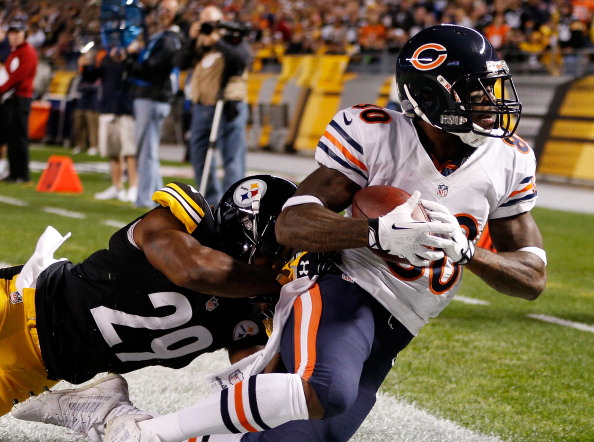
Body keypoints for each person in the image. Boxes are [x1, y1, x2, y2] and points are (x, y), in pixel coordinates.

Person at [14, 25, 548, 442]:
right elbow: (274, 230)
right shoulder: (374, 136)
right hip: (26, 306)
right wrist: (376, 233)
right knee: (326, 389)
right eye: (476, 93)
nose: (492, 102)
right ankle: (143, 431)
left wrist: (469, 252)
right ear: (429, 96)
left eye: (492, 89)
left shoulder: (510, 159)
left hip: (404, 319)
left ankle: (114, 418)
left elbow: (531, 277)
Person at [2, 174, 297, 422]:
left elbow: (258, 385)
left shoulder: (250, 310)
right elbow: (190, 269)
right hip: (19, 303)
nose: (283, 264)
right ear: (248, 230)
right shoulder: (187, 223)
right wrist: (280, 286)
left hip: (38, 371)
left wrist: (289, 330)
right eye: (280, 252)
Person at [178, 5, 251, 206]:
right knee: (199, 155)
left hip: (228, 106)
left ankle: (234, 206)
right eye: (204, 22)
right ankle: (211, 201)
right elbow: (180, 62)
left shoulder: (233, 38)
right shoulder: (200, 45)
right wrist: (192, 39)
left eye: (211, 22)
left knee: (232, 157)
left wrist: (218, 42)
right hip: (202, 107)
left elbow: (241, 60)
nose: (208, 27)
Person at [124, 0, 181, 208]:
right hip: (152, 97)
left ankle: (146, 198)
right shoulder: (162, 39)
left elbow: (150, 70)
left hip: (153, 97)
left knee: (146, 152)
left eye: (167, 10)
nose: (162, 13)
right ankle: (159, 198)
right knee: (148, 151)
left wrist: (129, 60)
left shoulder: (168, 41)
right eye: (161, 9)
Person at [87, 47, 139, 203]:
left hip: (126, 109)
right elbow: (92, 77)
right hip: (108, 108)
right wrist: (86, 65)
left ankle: (134, 187)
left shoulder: (133, 58)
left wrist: (126, 58)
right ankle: (117, 187)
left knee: (130, 152)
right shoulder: (105, 59)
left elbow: (138, 73)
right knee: (113, 151)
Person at [0, 20, 38, 184]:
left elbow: (18, 77)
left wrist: (1, 89)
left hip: (20, 98)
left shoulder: (27, 52)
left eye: (17, 33)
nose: (14, 36)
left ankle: (22, 174)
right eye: (12, 33)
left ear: (24, 35)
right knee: (12, 137)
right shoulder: (15, 51)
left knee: (19, 137)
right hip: (12, 98)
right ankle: (14, 172)